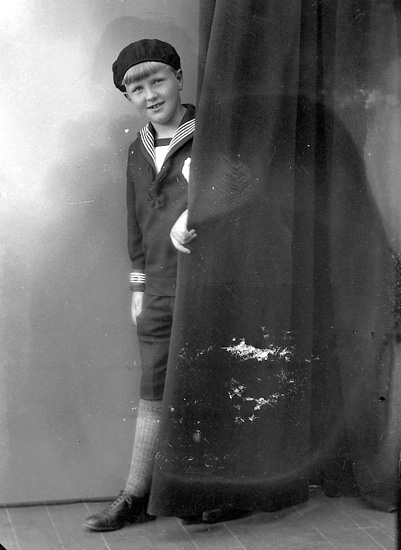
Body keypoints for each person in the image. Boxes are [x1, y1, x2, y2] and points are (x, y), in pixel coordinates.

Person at [83, 38, 196, 532]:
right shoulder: (137, 150)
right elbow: (135, 224)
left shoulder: (212, 134)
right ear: (128, 97)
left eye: (158, 81)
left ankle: (211, 492)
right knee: (154, 387)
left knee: (208, 381)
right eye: (137, 89)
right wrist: (138, 286)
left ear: (178, 79)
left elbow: (240, 188)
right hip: (159, 287)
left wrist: (197, 212)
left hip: (208, 282)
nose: (151, 95)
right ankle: (135, 494)